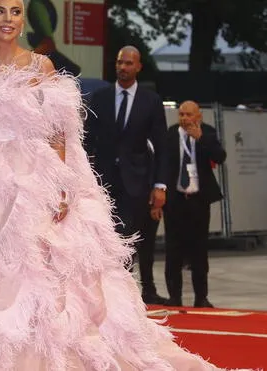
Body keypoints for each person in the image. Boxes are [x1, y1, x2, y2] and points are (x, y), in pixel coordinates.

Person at [0, 1, 230, 370]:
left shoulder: (42, 68)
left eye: (16, 11)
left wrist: (62, 186)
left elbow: (59, 135)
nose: (8, 19)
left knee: (42, 279)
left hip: (34, 182)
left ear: (23, 20)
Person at [84, 46, 168, 305]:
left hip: (137, 181)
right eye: (120, 62)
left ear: (138, 66)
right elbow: (87, 140)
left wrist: (160, 185)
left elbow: (161, 145)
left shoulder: (151, 101)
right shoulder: (100, 97)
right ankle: (110, 291)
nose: (123, 67)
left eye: (129, 63)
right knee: (106, 237)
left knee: (131, 236)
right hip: (104, 182)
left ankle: (130, 292)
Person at [162, 101, 226, 308]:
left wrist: (202, 140)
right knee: (173, 249)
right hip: (176, 200)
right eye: (181, 114)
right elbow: (163, 165)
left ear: (198, 116)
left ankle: (201, 297)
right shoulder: (171, 134)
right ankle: (174, 296)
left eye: (189, 114)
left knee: (199, 249)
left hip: (198, 199)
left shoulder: (207, 132)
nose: (184, 118)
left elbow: (220, 156)